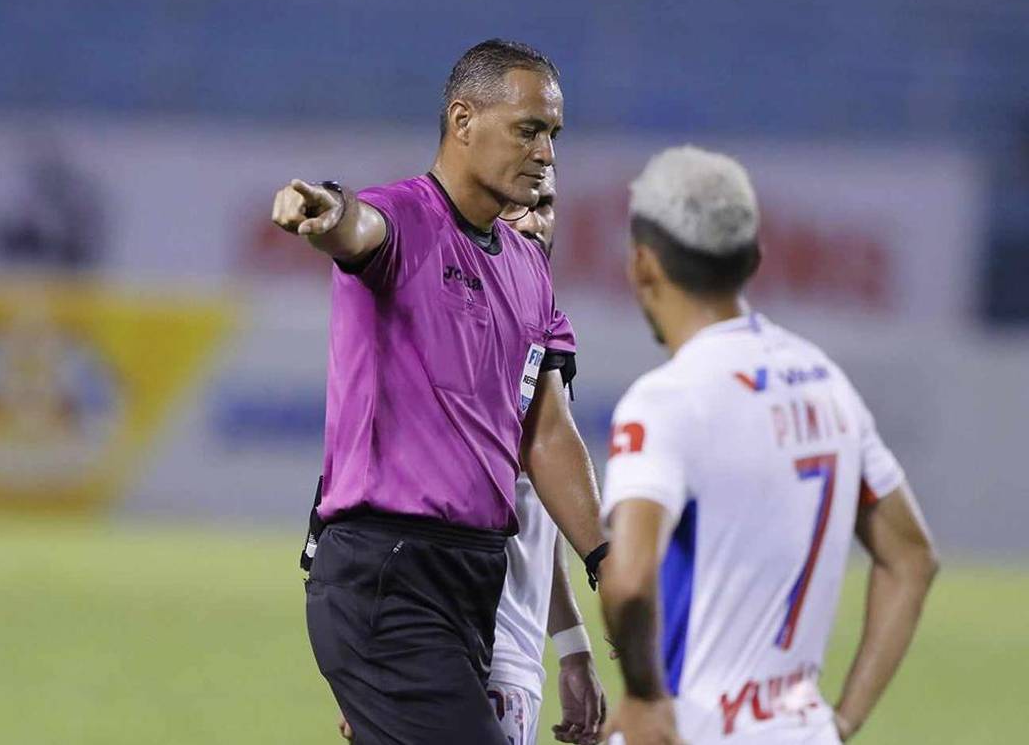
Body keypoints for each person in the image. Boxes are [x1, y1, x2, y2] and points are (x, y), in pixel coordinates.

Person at [272, 40, 607, 745]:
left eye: (553, 135)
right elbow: (357, 227)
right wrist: (326, 213)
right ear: (462, 121)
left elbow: (546, 435)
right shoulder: (407, 218)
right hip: (388, 571)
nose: (547, 154)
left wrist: (607, 556)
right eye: (528, 129)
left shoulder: (526, 267)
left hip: (471, 581)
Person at [596, 146, 938, 745]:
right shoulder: (824, 381)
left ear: (642, 265)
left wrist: (645, 697)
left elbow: (626, 580)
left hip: (695, 729)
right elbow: (911, 558)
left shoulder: (669, 400)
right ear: (755, 258)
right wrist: (843, 721)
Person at [334, 169, 608, 745]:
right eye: (516, 207)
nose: (533, 220)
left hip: (508, 648)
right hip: (475, 648)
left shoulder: (540, 330)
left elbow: (538, 509)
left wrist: (571, 644)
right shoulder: (459, 331)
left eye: (546, 205)